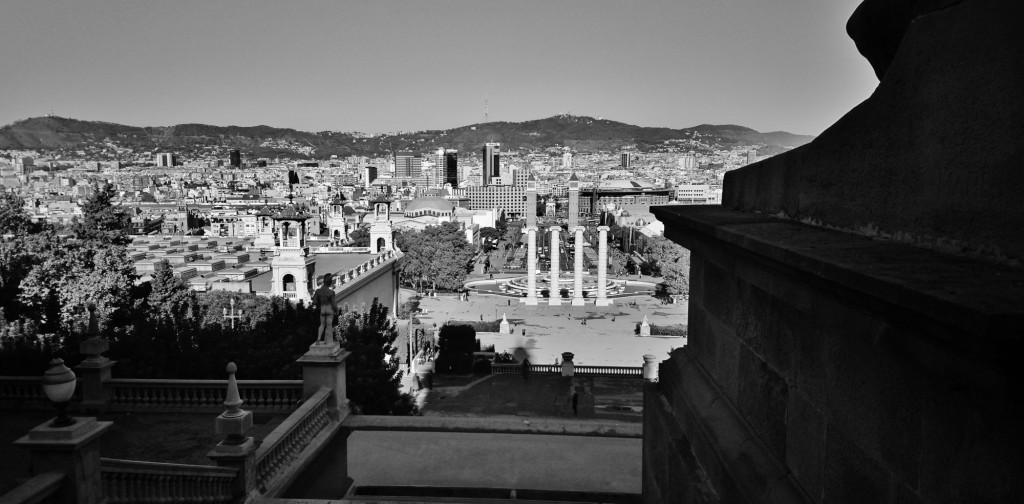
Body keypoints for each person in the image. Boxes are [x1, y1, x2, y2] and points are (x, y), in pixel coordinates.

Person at [313, 273, 338, 343]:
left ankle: (319, 338)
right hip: (329, 309)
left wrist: (318, 304)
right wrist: (337, 310)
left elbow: (314, 301)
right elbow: (333, 303)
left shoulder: (318, 291)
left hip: (322, 309)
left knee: (322, 324)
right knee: (329, 325)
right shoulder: (331, 292)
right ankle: (327, 340)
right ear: (329, 283)